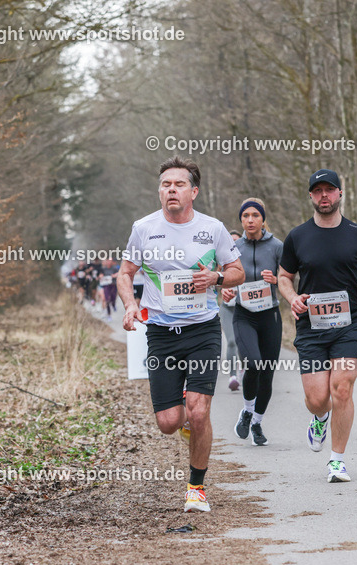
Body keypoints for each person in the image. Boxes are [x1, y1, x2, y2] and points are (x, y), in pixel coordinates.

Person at [118, 156, 245, 512]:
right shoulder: (144, 228)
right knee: (169, 422)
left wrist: (216, 278)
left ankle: (196, 488)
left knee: (199, 412)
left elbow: (237, 270)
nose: (170, 190)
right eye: (165, 185)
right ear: (160, 191)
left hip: (203, 329)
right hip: (160, 332)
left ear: (194, 191)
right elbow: (125, 273)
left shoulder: (212, 229)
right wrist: (130, 306)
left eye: (178, 184)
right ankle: (189, 423)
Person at [277, 169, 357, 482]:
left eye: (330, 190)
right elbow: (284, 277)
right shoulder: (297, 236)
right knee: (318, 398)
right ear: (311, 196)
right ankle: (319, 417)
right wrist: (291, 298)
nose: (324, 196)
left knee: (341, 387)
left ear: (340, 194)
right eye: (318, 191)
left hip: (349, 323)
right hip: (311, 326)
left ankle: (337, 460)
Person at [223, 198, 282, 446]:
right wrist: (224, 290)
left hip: (271, 316)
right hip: (244, 314)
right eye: (245, 215)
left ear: (262, 219)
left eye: (254, 215)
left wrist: (277, 279)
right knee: (254, 364)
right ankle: (247, 410)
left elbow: (292, 279)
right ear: (241, 219)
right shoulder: (233, 247)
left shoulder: (278, 246)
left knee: (267, 374)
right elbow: (224, 277)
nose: (249, 220)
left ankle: (256, 422)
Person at [218, 231, 241, 392]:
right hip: (227, 308)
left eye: (237, 241)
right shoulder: (222, 260)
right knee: (232, 341)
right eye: (231, 241)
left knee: (245, 342)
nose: (234, 243)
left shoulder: (245, 262)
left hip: (245, 308)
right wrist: (221, 290)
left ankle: (246, 369)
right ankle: (233, 375)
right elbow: (214, 281)